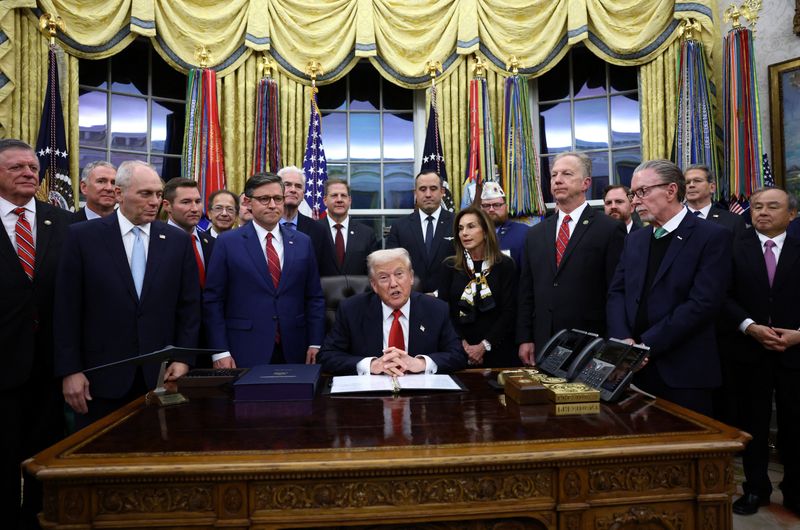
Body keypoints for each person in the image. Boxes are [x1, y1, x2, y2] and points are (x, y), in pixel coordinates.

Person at [55, 160, 200, 428]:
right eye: (145, 194)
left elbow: (189, 306)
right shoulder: (82, 237)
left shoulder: (177, 241)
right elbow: (66, 309)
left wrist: (183, 358)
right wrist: (70, 371)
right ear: (120, 194)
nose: (154, 201)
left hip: (160, 376)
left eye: (158, 194)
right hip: (99, 379)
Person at [606, 159, 732, 416]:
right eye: (633, 194)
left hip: (684, 373)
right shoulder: (636, 240)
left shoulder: (711, 236)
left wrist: (646, 345)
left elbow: (703, 303)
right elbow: (617, 292)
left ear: (671, 191)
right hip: (633, 370)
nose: (635, 201)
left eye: (643, 192)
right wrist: (624, 341)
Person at [0, 139, 72, 529]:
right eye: (17, 168)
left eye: (33, 167)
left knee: (46, 458)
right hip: (3, 366)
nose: (29, 173)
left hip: (51, 366)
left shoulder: (64, 222)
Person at [725, 187, 800, 517]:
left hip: (795, 351)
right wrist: (748, 326)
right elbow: (721, 295)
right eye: (756, 207)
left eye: (772, 207)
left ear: (792, 214)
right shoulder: (732, 247)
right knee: (751, 424)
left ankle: (796, 491)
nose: (763, 212)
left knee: (796, 424)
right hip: (749, 349)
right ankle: (756, 488)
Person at [204, 172, 325, 368]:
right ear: (248, 202)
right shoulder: (228, 243)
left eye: (278, 198)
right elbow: (213, 300)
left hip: (296, 348)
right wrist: (220, 351)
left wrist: (316, 341)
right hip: (243, 349)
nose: (272, 205)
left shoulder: (303, 242)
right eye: (264, 199)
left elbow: (314, 297)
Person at [516, 152, 625, 366]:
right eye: (554, 174)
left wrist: (614, 344)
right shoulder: (535, 233)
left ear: (586, 183)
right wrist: (525, 337)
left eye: (567, 174)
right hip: (544, 343)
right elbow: (526, 291)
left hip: (591, 344)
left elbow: (616, 291)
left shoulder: (609, 229)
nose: (557, 180)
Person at [318, 248, 466, 375]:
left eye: (399, 274)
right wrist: (370, 365)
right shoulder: (351, 310)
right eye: (384, 278)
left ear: (411, 277)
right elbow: (326, 356)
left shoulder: (436, 309)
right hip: (370, 399)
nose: (393, 284)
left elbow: (458, 355)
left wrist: (421, 363)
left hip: (422, 400)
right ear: (374, 285)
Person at [438, 207, 519, 368]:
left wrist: (484, 346)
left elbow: (510, 311)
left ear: (486, 230)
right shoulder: (449, 266)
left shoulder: (505, 265)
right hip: (458, 351)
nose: (464, 233)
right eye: (460, 229)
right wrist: (464, 345)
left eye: (471, 226)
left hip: (498, 350)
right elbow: (444, 310)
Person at [386, 171, 455, 293]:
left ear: (442, 192)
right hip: (410, 300)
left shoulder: (457, 223)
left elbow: (464, 266)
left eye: (433, 189)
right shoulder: (399, 227)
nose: (428, 194)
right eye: (422, 189)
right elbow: (392, 267)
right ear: (415, 193)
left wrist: (438, 294)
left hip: (448, 299)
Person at [317, 178, 379, 276]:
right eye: (334, 196)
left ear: (349, 200)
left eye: (343, 196)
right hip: (323, 291)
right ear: (325, 200)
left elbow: (374, 272)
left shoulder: (367, 234)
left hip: (358, 291)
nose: (339, 200)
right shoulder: (313, 231)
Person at [162, 178, 214, 287]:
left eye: (198, 201)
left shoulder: (212, 243)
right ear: (167, 205)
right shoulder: (155, 242)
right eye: (186, 202)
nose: (194, 208)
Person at [277, 165, 327, 260]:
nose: (293, 190)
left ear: (303, 194)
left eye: (298, 186)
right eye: (287, 184)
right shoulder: (265, 225)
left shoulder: (318, 231)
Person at [683, 164, 745, 237]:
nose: (691, 185)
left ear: (712, 187)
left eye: (697, 181)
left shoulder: (733, 221)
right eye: (687, 182)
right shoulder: (672, 218)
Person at [478, 181, 528, 268]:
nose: (491, 209)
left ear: (506, 207)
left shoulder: (524, 232)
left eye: (497, 205)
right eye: (486, 206)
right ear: (480, 208)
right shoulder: (472, 233)